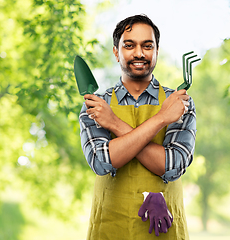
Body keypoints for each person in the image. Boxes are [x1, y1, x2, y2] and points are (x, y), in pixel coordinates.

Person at [79, 14, 196, 240]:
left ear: (157, 51)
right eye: (129, 45)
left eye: (147, 45)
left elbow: (171, 166)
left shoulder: (179, 103)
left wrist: (113, 124)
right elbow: (103, 162)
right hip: (111, 228)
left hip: (165, 230)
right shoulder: (96, 104)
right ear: (116, 52)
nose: (139, 53)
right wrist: (162, 118)